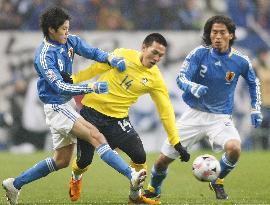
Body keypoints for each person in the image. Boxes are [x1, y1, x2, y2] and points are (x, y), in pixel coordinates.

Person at [2, 7, 147, 205]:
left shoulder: (69, 40)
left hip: (65, 104)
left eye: (68, 28)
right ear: (51, 30)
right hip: (56, 105)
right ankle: (130, 174)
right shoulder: (44, 56)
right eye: (63, 29)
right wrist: (91, 87)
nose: (67, 32)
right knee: (95, 135)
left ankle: (15, 184)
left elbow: (91, 52)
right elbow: (59, 85)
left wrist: (110, 58)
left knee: (61, 161)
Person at [61, 33, 190, 204]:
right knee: (84, 161)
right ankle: (76, 177)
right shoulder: (123, 55)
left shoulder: (155, 78)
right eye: (154, 52)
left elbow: (165, 110)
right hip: (92, 113)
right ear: (144, 47)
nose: (156, 58)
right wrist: (74, 79)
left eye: (161, 55)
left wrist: (176, 142)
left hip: (118, 120)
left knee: (139, 156)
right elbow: (96, 69)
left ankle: (135, 197)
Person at [143, 15, 263, 200]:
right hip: (194, 116)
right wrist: (193, 86)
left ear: (230, 35)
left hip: (220, 118)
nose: (217, 36)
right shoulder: (199, 53)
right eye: (214, 32)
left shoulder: (241, 61)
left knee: (235, 149)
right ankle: (153, 188)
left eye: (222, 32)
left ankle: (218, 180)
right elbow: (181, 78)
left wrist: (255, 108)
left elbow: (254, 83)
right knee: (162, 161)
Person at [252, 47, 270, 149]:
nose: (264, 56)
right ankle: (260, 147)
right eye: (262, 54)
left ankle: (266, 148)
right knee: (262, 126)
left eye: (265, 54)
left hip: (269, 101)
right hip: (262, 102)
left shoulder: (267, 68)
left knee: (266, 127)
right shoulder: (256, 67)